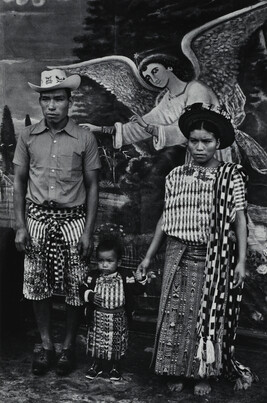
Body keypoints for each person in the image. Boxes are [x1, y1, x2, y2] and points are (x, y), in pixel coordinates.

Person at [136, 103, 257, 395]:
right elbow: (166, 218)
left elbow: (239, 218)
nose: (199, 147)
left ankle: (204, 373)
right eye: (194, 141)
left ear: (217, 144)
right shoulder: (176, 176)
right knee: (176, 313)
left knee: (208, 317)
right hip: (178, 252)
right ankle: (177, 370)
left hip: (214, 255)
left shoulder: (230, 176)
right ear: (187, 142)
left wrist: (241, 260)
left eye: (207, 141)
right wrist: (149, 256)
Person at [13, 68, 101, 376]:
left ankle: (67, 347)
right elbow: (19, 183)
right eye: (46, 99)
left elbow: (93, 187)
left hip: (73, 220)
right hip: (37, 218)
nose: (52, 106)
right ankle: (46, 345)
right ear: (40, 102)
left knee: (76, 286)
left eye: (59, 99)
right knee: (38, 285)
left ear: (69, 102)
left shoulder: (85, 138)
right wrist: (21, 225)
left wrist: (88, 232)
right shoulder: (27, 137)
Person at [84, 53, 232, 161]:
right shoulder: (167, 99)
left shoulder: (196, 89)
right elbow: (142, 125)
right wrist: (99, 129)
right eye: (148, 77)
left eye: (155, 71)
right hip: (195, 153)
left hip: (215, 151)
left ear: (169, 67)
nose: (153, 79)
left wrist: (151, 128)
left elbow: (189, 130)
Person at [80, 237, 147, 381]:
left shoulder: (126, 276)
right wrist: (90, 296)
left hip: (118, 318)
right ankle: (96, 365)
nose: (104, 265)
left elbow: (137, 290)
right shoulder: (93, 277)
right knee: (97, 341)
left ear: (119, 262)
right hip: (98, 318)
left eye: (109, 261)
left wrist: (141, 279)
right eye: (101, 261)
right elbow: (82, 289)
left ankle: (114, 367)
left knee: (116, 344)